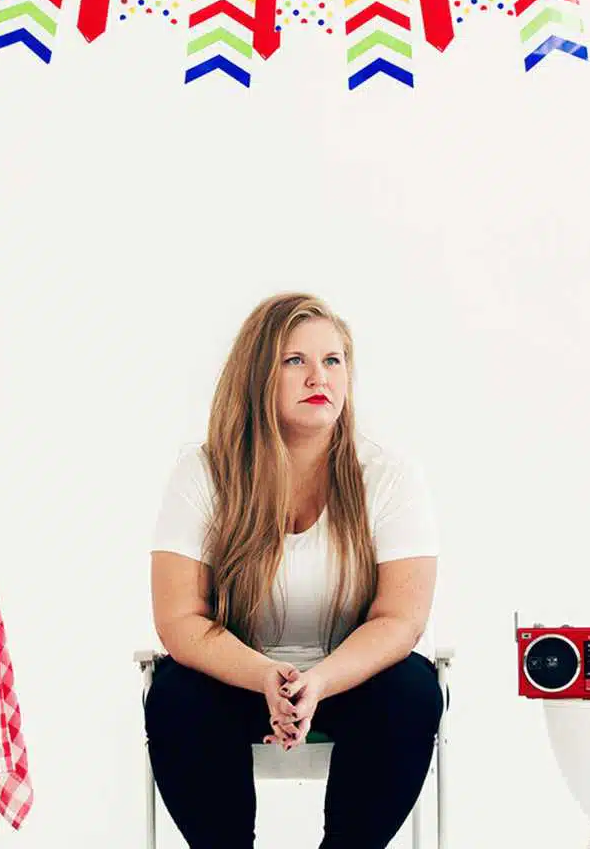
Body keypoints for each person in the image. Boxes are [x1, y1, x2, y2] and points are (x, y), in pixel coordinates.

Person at [145, 292, 444, 849]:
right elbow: (179, 618)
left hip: (350, 677)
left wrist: (320, 681)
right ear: (258, 375)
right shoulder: (203, 472)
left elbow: (400, 618)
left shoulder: (390, 476)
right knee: (176, 696)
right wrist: (265, 676)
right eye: (294, 360)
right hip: (237, 675)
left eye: (332, 360)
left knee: (411, 691)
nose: (318, 377)